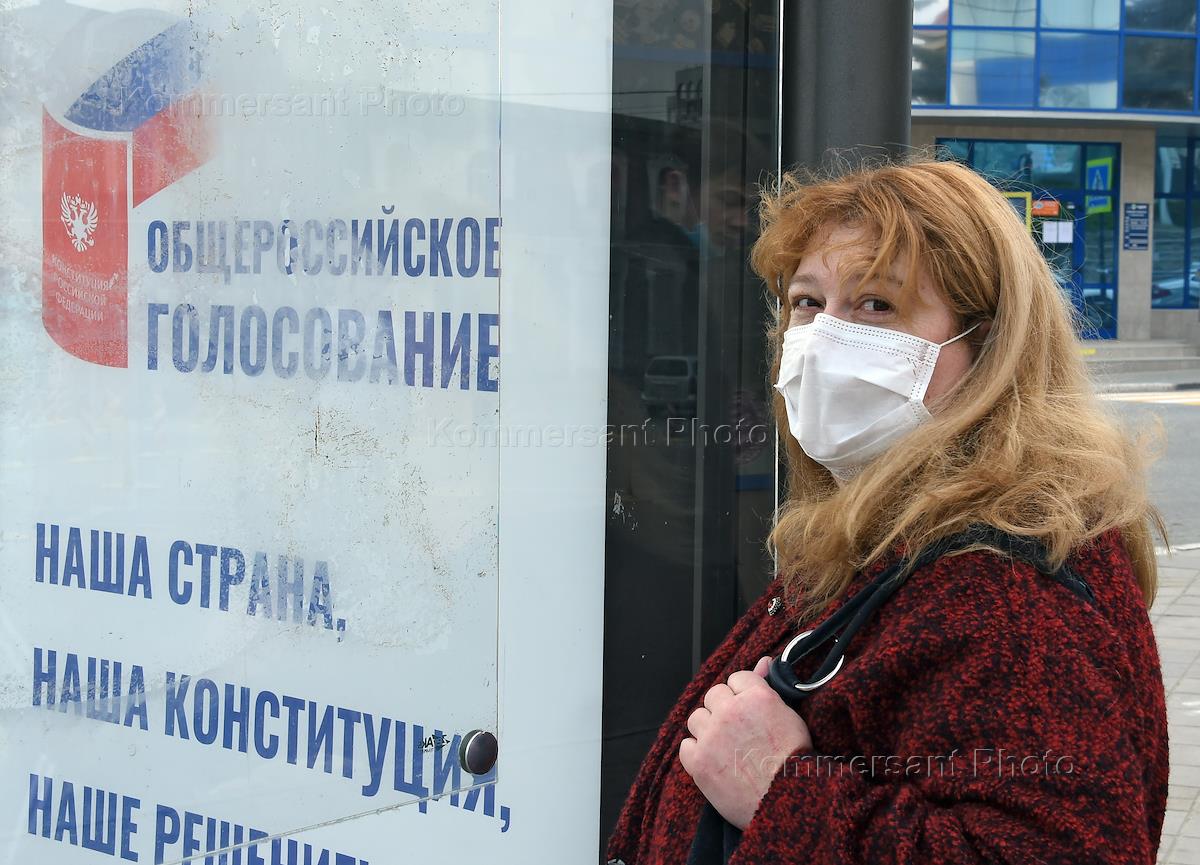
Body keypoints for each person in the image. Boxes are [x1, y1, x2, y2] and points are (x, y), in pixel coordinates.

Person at [603, 156, 1169, 865]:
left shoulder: (1004, 591)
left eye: (877, 305)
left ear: (989, 346)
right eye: (807, 302)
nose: (824, 339)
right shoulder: (901, 530)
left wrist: (782, 791)